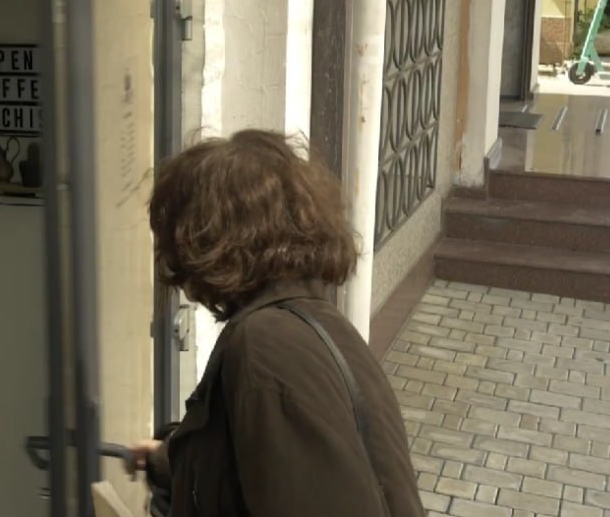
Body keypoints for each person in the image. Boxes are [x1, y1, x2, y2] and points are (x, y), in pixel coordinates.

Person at [132, 130, 424, 517]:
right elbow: (249, 467)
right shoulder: (314, 323)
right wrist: (167, 460)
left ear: (209, 239)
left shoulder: (263, 348)